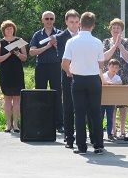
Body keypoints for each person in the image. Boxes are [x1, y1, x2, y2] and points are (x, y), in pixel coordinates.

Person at [62, 11, 105, 155]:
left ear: (80, 24)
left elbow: (64, 63)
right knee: (95, 112)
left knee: (79, 113)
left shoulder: (72, 41)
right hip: (93, 80)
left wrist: (69, 72)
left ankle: (81, 147)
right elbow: (101, 64)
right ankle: (98, 145)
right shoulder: (98, 42)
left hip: (78, 79)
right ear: (93, 26)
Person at [29, 11, 64, 133]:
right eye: (46, 18)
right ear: (42, 20)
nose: (49, 21)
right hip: (41, 67)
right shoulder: (37, 34)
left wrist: (56, 45)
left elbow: (66, 50)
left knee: (57, 95)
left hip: (56, 67)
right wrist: (47, 46)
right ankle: (41, 122)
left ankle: (59, 124)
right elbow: (32, 52)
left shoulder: (60, 33)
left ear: (54, 20)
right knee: (41, 94)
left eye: (51, 18)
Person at [53, 9, 80, 148]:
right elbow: (61, 58)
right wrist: (70, 71)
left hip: (83, 76)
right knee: (68, 107)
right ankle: (69, 137)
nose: (74, 25)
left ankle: (81, 135)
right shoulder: (61, 37)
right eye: (71, 22)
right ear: (66, 22)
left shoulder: (84, 36)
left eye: (76, 22)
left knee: (81, 108)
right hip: (68, 75)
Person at [0, 20, 27, 133]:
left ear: (14, 29)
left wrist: (17, 53)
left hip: (17, 73)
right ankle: (8, 124)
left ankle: (16, 124)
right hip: (5, 73)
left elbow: (24, 58)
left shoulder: (19, 41)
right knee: (7, 99)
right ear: (4, 30)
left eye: (11, 28)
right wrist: (9, 53)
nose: (9, 30)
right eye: (7, 28)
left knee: (17, 99)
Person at [103, 18, 128, 139]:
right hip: (110, 77)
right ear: (110, 29)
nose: (116, 30)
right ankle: (113, 129)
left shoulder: (126, 41)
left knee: (123, 104)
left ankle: (123, 129)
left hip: (125, 75)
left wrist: (120, 45)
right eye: (113, 28)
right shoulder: (106, 42)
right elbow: (104, 57)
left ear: (122, 30)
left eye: (118, 28)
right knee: (112, 104)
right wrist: (114, 45)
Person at [101, 59, 122, 141]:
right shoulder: (103, 75)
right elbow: (102, 83)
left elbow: (120, 83)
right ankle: (100, 134)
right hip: (102, 100)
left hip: (111, 100)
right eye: (112, 66)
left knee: (110, 118)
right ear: (108, 67)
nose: (114, 69)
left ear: (118, 69)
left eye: (116, 67)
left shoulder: (117, 77)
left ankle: (110, 134)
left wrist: (110, 83)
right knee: (100, 117)